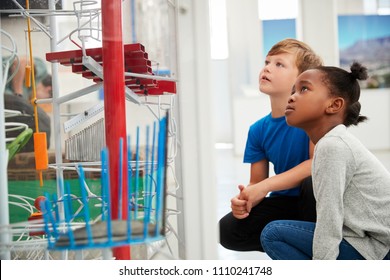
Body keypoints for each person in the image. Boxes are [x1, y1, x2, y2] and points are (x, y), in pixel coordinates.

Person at [260, 62, 390, 260]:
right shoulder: (332, 142)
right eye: (293, 90)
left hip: (381, 249)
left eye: (304, 89)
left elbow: (330, 222)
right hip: (370, 241)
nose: (292, 96)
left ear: (334, 105)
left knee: (274, 233)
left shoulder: (333, 146)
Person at [219, 38, 323, 252]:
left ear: (301, 80)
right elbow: (256, 182)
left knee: (310, 183)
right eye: (267, 62)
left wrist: (264, 187)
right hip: (284, 204)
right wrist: (244, 200)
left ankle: (317, 246)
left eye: (279, 64)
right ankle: (295, 241)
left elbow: (316, 164)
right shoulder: (257, 130)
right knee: (227, 230)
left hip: (317, 202)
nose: (267, 68)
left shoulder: (313, 119)